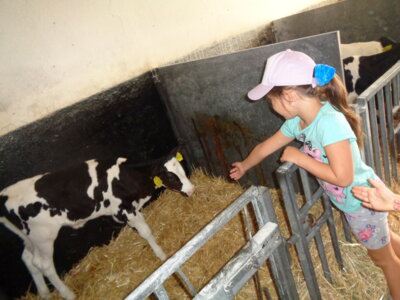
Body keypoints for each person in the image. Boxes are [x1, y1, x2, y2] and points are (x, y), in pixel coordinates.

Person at [229, 49, 400, 299]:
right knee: (387, 241)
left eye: (271, 100)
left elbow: (343, 178)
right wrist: (245, 164)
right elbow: (266, 146)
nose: (273, 106)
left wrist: (300, 158)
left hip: (363, 201)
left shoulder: (329, 123)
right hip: (357, 200)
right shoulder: (298, 123)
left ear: (288, 95)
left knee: (384, 261)